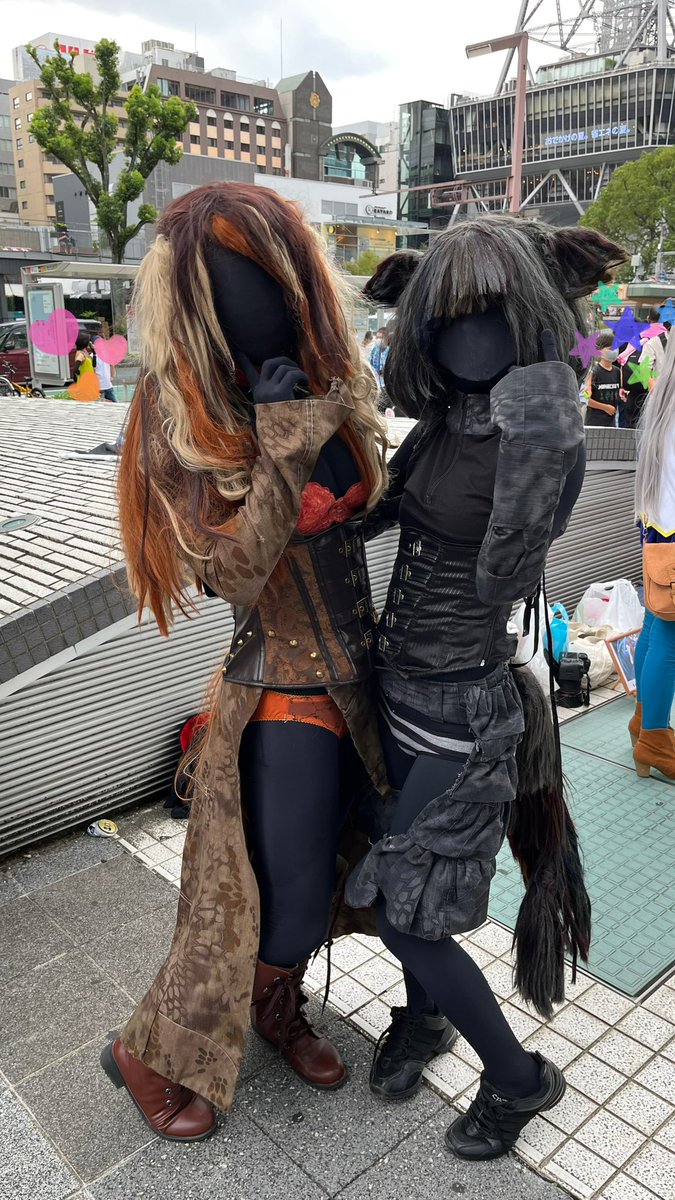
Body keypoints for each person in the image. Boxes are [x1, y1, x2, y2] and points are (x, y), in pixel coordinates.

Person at [106, 181, 389, 1141]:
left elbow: (360, 511)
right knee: (259, 901)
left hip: (361, 678)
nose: (261, 301)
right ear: (195, 298)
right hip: (281, 689)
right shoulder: (178, 411)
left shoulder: (320, 374)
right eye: (236, 283)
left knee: (334, 870)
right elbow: (229, 573)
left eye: (272, 276)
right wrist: (279, 450)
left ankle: (274, 1008)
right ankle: (143, 1051)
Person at [347, 217, 627, 1163]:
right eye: (450, 319)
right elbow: (368, 520)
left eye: (494, 317)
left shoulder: (540, 433)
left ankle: (518, 1078)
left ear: (536, 317)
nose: (469, 341)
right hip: (395, 690)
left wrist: (545, 403)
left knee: (406, 916)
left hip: (462, 709)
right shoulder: (442, 426)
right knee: (403, 889)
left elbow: (506, 568)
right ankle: (424, 1019)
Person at [630, 331, 675, 779]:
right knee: (669, 636)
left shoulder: (661, 406)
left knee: (654, 624)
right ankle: (655, 739)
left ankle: (645, 723)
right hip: (672, 535)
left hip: (656, 532)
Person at [585, 330, 622, 427]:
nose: (614, 351)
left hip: (611, 424)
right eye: (610, 348)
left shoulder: (617, 371)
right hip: (594, 424)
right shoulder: (593, 371)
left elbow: (617, 393)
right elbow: (585, 398)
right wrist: (604, 407)